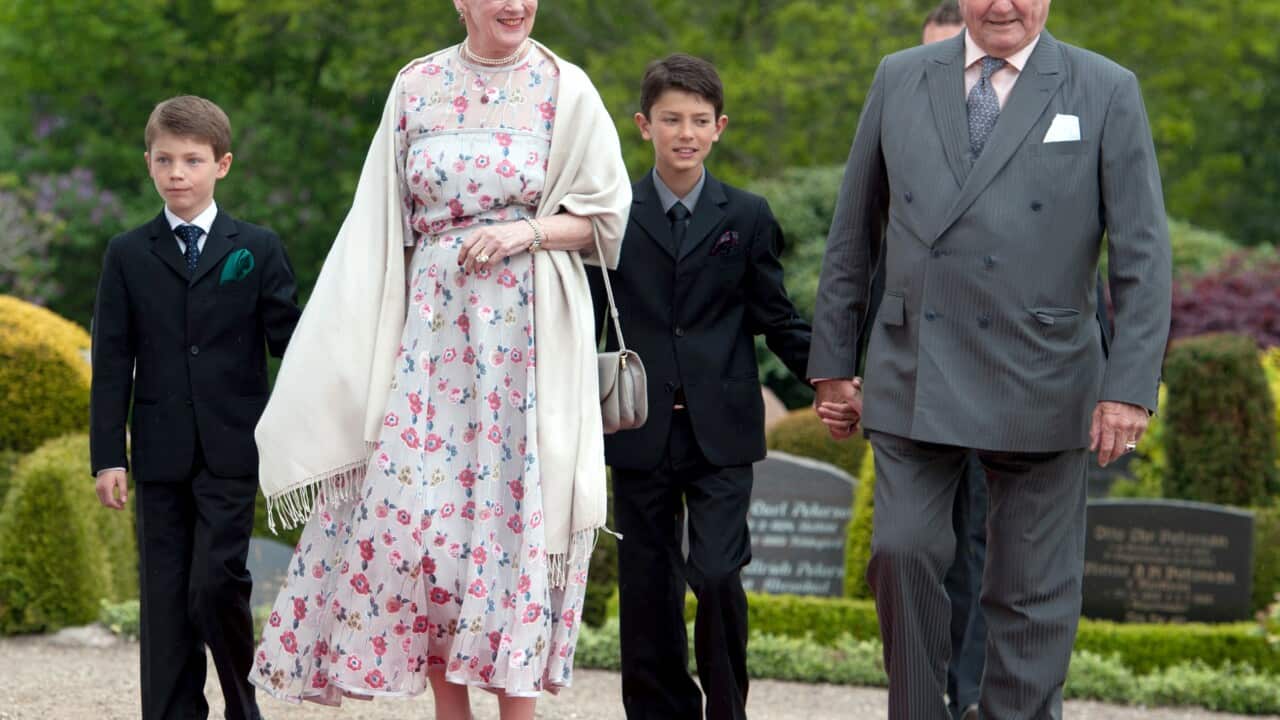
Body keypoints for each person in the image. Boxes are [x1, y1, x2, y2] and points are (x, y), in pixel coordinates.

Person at [248, 1, 630, 718]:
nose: (513, 4)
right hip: (426, 342)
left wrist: (527, 231)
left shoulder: (565, 87)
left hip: (528, 342)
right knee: (420, 534)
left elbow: (607, 219)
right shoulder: (415, 85)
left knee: (515, 525)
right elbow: (375, 226)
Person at [808, 0, 1172, 717]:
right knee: (902, 551)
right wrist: (833, 362)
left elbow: (1142, 251)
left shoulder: (1104, 88)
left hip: (1045, 370)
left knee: (1031, 590)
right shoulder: (900, 76)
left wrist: (1128, 387)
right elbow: (854, 230)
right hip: (916, 362)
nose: (1003, 4)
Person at [589, 54, 812, 720]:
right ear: (643, 125)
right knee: (648, 588)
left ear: (719, 128)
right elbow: (586, 319)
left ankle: (726, 710)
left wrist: (834, 381)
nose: (684, 132)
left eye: (698, 120)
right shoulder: (610, 213)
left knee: (717, 574)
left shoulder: (746, 214)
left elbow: (776, 317)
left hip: (722, 430)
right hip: (636, 426)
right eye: (670, 120)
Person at [90, 95, 301, 720]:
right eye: (164, 159)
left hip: (231, 450)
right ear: (149, 164)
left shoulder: (257, 249)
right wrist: (108, 457)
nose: (177, 172)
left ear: (222, 165)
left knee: (215, 584)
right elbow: (110, 364)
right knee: (162, 599)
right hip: (156, 454)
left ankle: (243, 704)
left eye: (192, 159)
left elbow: (294, 346)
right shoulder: (127, 254)